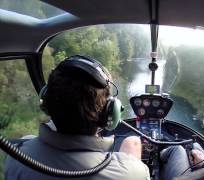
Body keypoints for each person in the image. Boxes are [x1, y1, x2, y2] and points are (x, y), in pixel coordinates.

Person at [5, 55, 150, 180]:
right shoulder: (133, 173)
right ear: (110, 111)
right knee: (134, 142)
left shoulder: (17, 157)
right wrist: (130, 158)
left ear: (46, 102)